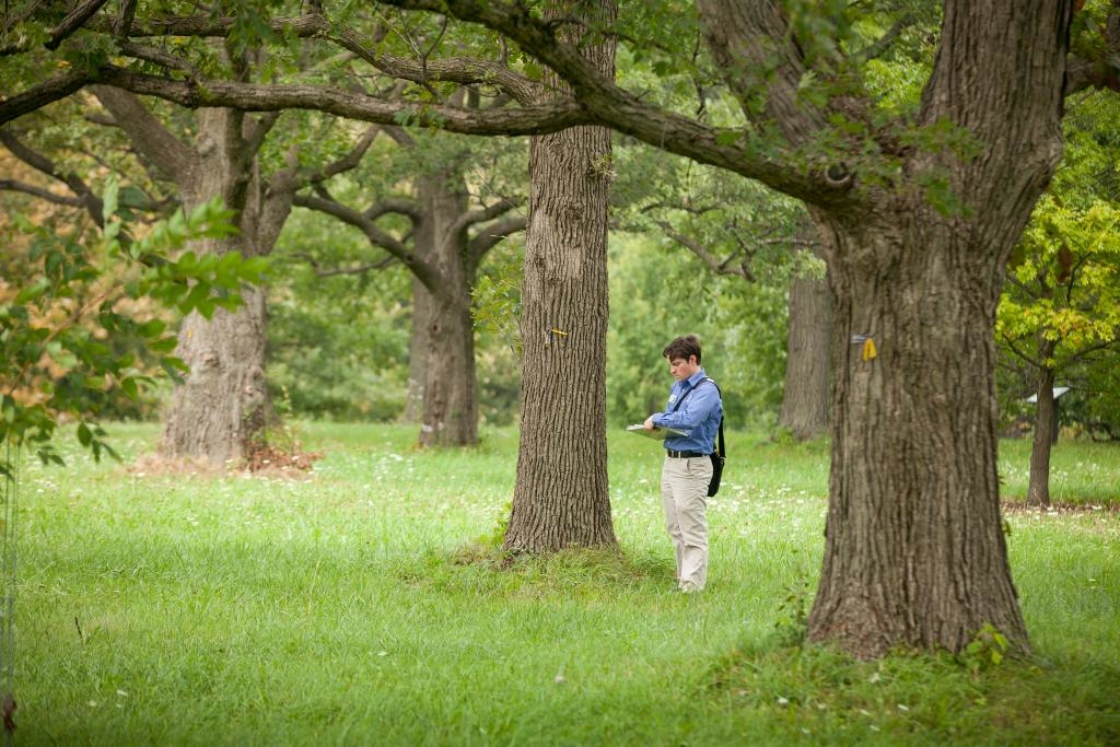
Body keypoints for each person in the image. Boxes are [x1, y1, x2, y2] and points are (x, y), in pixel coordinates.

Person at [643, 335, 723, 593]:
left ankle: (693, 585)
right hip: (671, 462)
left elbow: (688, 420)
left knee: (692, 527)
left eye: (677, 364)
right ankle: (682, 579)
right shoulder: (678, 387)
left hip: (692, 466)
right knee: (675, 526)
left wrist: (657, 417)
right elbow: (675, 418)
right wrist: (661, 425)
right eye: (671, 364)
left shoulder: (706, 390)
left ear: (693, 359)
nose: (672, 370)